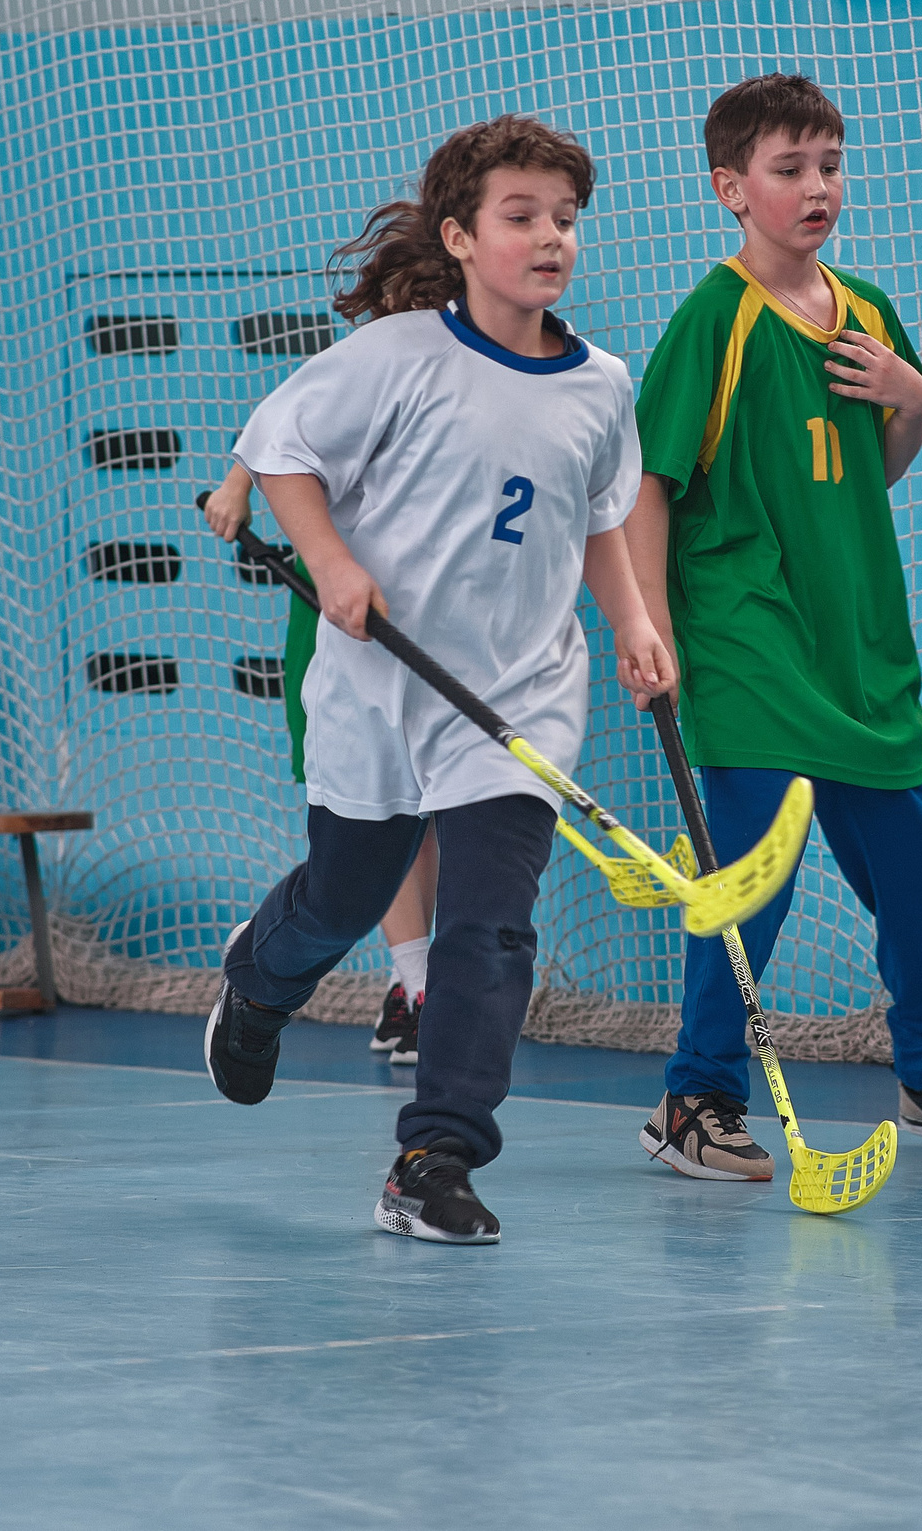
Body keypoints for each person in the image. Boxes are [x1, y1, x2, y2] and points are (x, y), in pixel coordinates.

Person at [210, 114, 672, 1245]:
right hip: (378, 685)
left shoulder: (602, 383)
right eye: (520, 217)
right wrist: (330, 561)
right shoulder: (397, 356)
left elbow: (601, 517)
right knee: (344, 896)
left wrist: (634, 623)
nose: (550, 238)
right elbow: (280, 450)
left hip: (517, 698)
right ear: (460, 237)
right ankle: (260, 981)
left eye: (565, 219)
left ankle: (436, 1153)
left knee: (489, 926)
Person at [625, 74, 922, 1180]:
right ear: (730, 189)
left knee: (915, 869)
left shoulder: (866, 312)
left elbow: (878, 470)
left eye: (829, 165)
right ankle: (697, 1097)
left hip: (859, 645)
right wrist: (648, 625)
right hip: (746, 638)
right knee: (753, 878)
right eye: (787, 170)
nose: (816, 188)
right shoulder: (712, 319)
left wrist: (914, 401)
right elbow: (647, 487)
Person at [207, 462, 438, 1065]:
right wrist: (237, 483)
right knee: (380, 807)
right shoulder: (360, 374)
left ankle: (412, 983)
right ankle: (417, 990)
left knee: (429, 804)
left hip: (432, 609)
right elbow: (290, 424)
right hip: (341, 612)